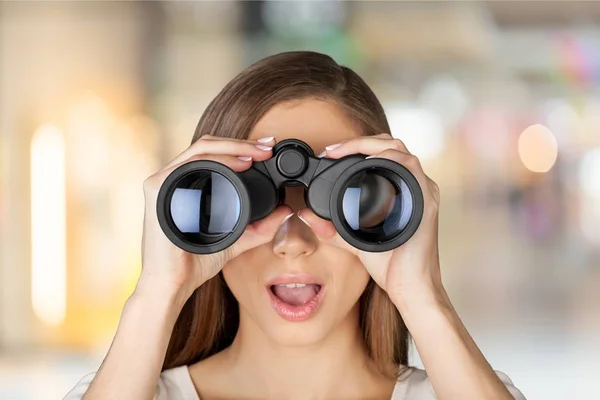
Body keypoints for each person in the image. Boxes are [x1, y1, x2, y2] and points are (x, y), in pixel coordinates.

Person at [64, 51, 525, 400]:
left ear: (387, 211)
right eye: (251, 204)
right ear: (207, 219)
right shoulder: (127, 389)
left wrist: (424, 295)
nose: (293, 242)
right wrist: (158, 289)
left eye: (344, 199)